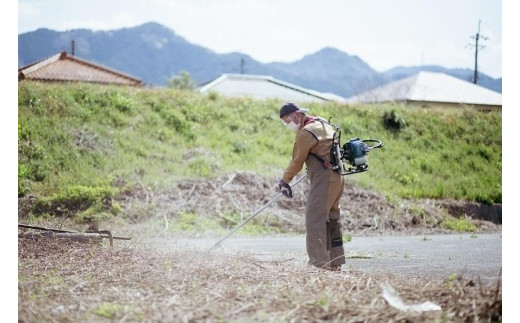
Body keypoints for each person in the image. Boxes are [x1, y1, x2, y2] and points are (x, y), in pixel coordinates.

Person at [278, 102, 346, 271]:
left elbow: (296, 161)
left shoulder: (306, 133)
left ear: (297, 115)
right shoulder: (322, 123)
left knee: (314, 218)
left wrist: (285, 181)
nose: (288, 124)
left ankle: (319, 265)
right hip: (338, 176)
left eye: (288, 120)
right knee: (331, 217)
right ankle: (335, 261)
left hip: (325, 179)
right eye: (285, 122)